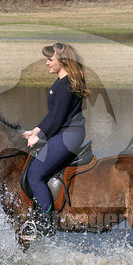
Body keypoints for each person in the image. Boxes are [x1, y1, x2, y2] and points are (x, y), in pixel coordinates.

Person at [20, 42, 91, 239]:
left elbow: (58, 119)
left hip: (69, 135)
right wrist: (35, 130)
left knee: (35, 174)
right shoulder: (61, 82)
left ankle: (46, 221)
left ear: (63, 61)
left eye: (50, 60)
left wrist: (39, 137)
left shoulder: (66, 84)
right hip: (65, 132)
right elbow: (52, 116)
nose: (46, 63)